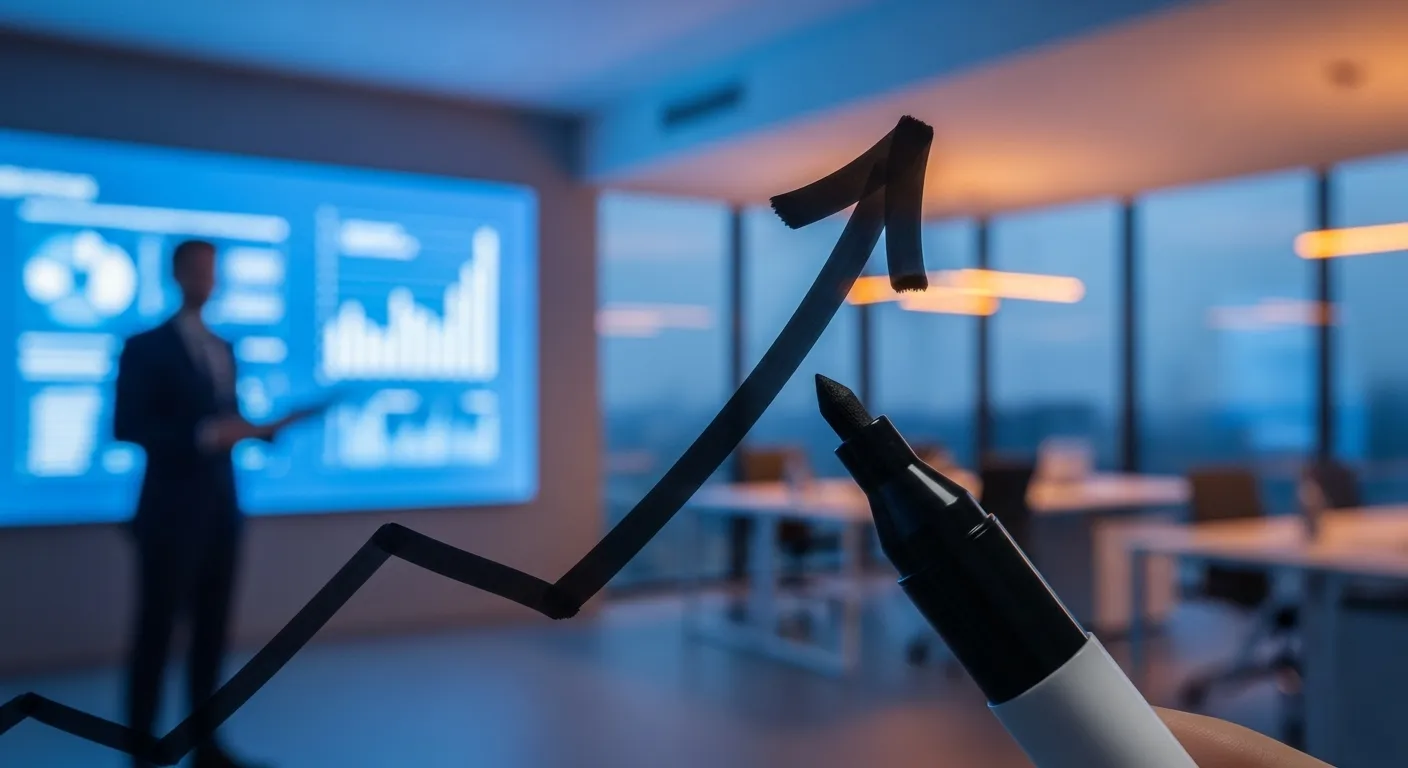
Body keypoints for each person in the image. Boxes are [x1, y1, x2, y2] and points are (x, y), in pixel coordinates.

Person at [113, 239, 288, 768]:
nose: (205, 280)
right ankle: (141, 751)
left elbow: (227, 419)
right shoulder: (145, 346)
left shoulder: (224, 347)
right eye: (196, 270)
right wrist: (206, 435)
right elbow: (128, 426)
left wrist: (256, 431)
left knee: (212, 634)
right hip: (168, 514)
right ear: (176, 273)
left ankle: (205, 745)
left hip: (221, 512)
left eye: (212, 272)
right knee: (156, 633)